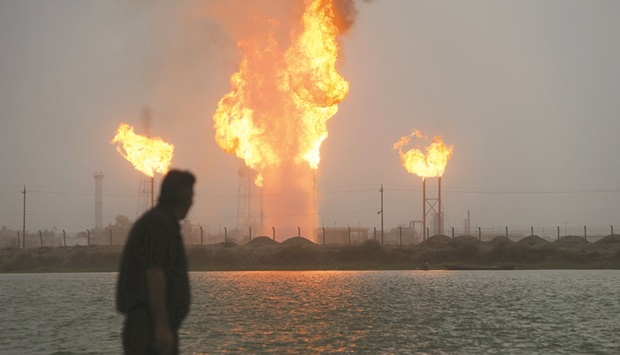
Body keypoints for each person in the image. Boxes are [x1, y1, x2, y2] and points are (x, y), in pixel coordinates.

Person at [116, 170, 196, 355]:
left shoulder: (158, 221)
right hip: (150, 327)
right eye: (191, 196)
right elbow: (155, 273)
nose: (192, 202)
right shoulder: (160, 224)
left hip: (151, 325)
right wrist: (161, 327)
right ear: (182, 197)